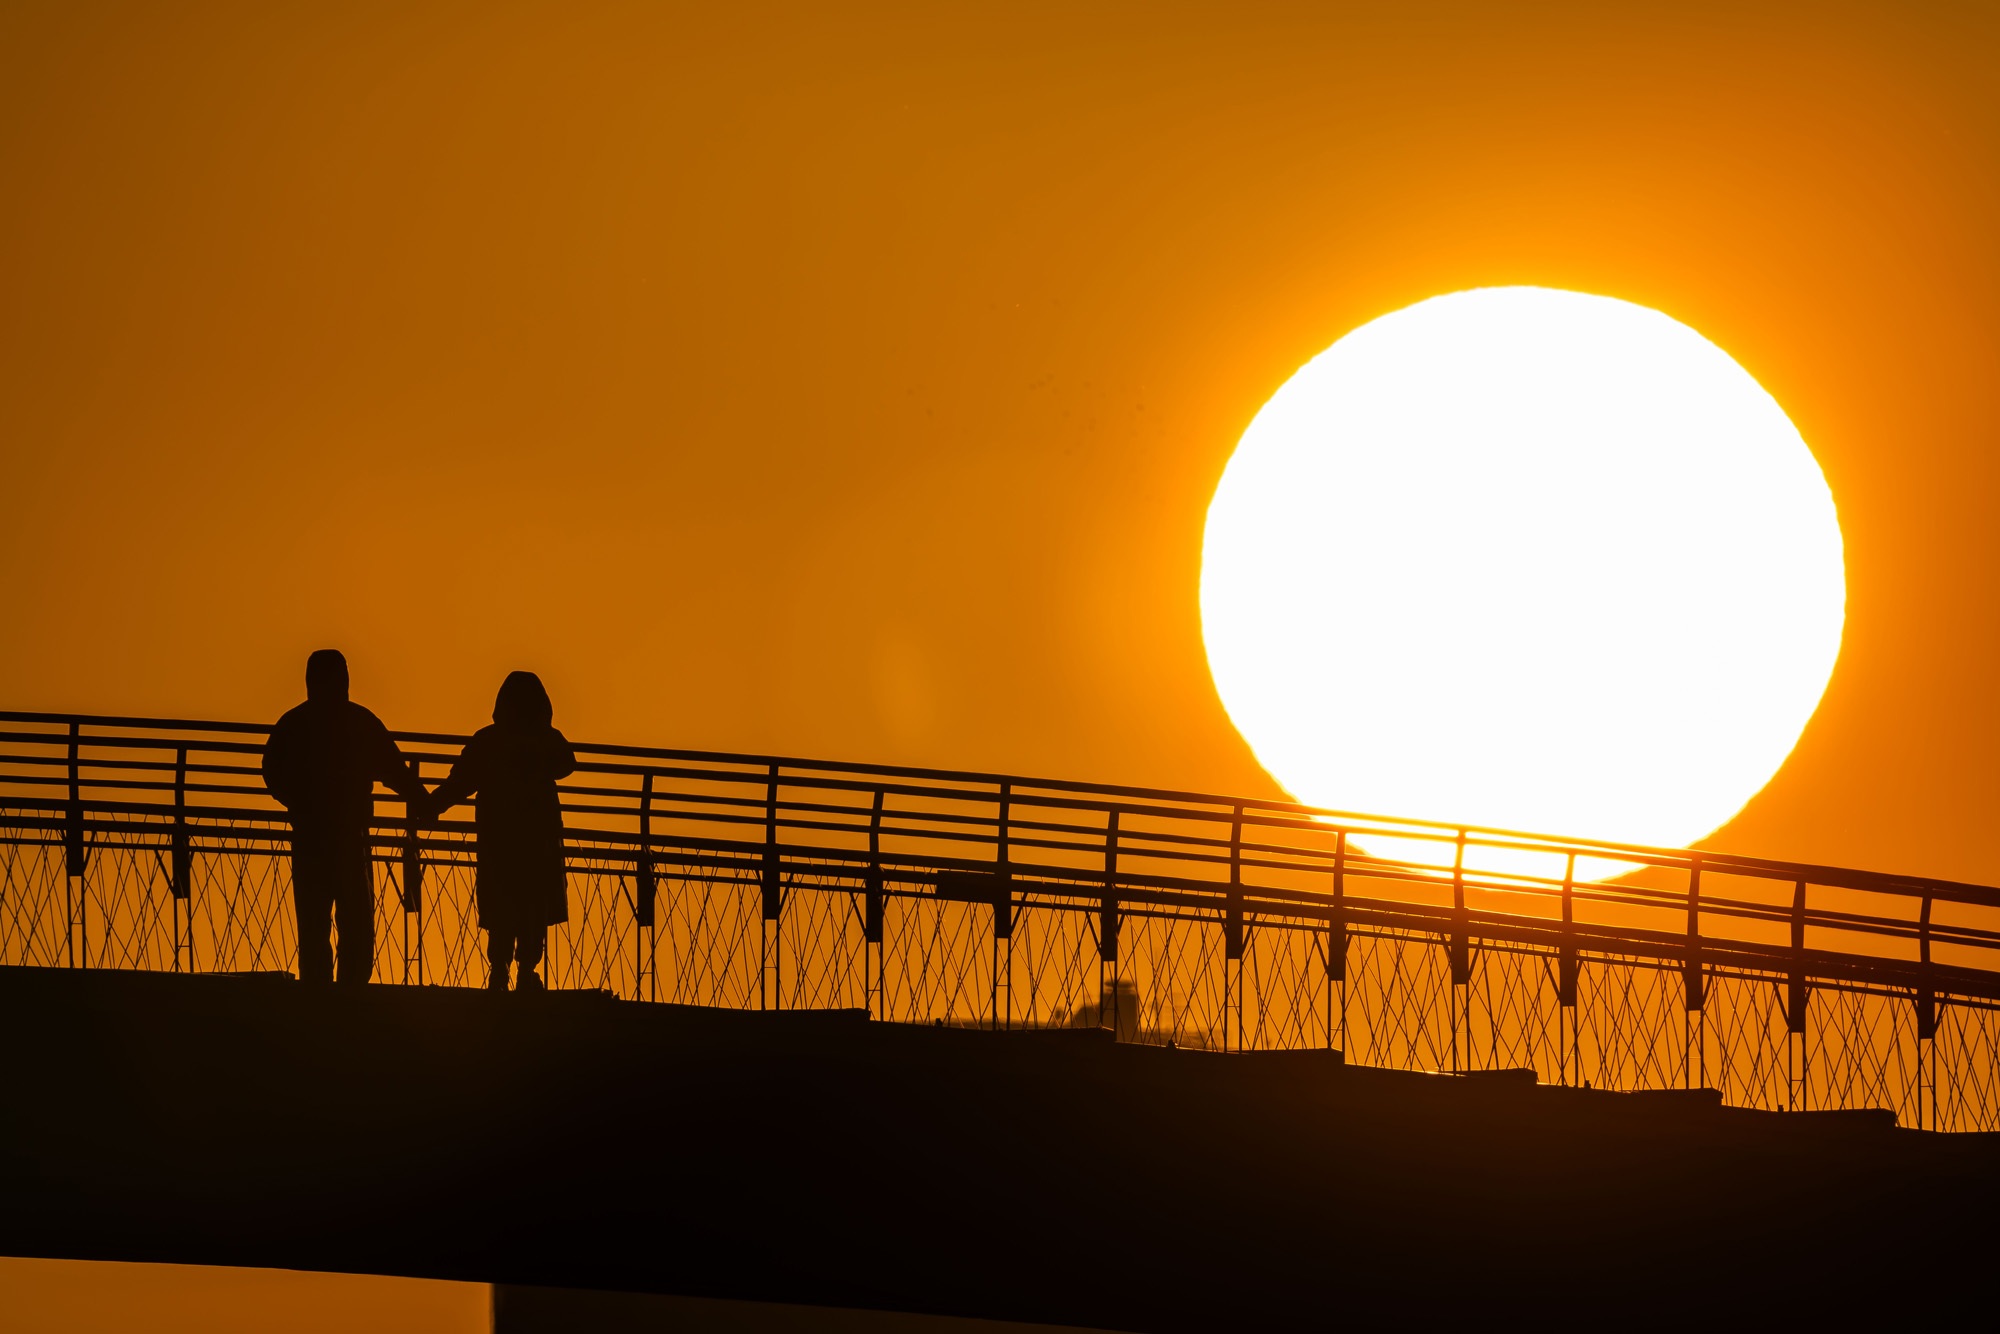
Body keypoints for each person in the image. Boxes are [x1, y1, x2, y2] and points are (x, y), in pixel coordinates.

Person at [262, 649, 426, 985]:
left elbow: (271, 770)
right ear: (344, 681)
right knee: (356, 921)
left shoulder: (293, 723)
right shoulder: (359, 722)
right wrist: (426, 803)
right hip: (351, 836)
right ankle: (350, 992)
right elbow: (395, 771)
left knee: (313, 921)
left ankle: (317, 992)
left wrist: (297, 803)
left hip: (309, 835)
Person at [420, 671, 576, 992]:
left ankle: (499, 968)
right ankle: (527, 970)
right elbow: (567, 763)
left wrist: (432, 805)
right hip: (537, 840)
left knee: (501, 902)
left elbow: (460, 781)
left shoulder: (488, 741)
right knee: (534, 904)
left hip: (498, 840)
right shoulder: (546, 739)